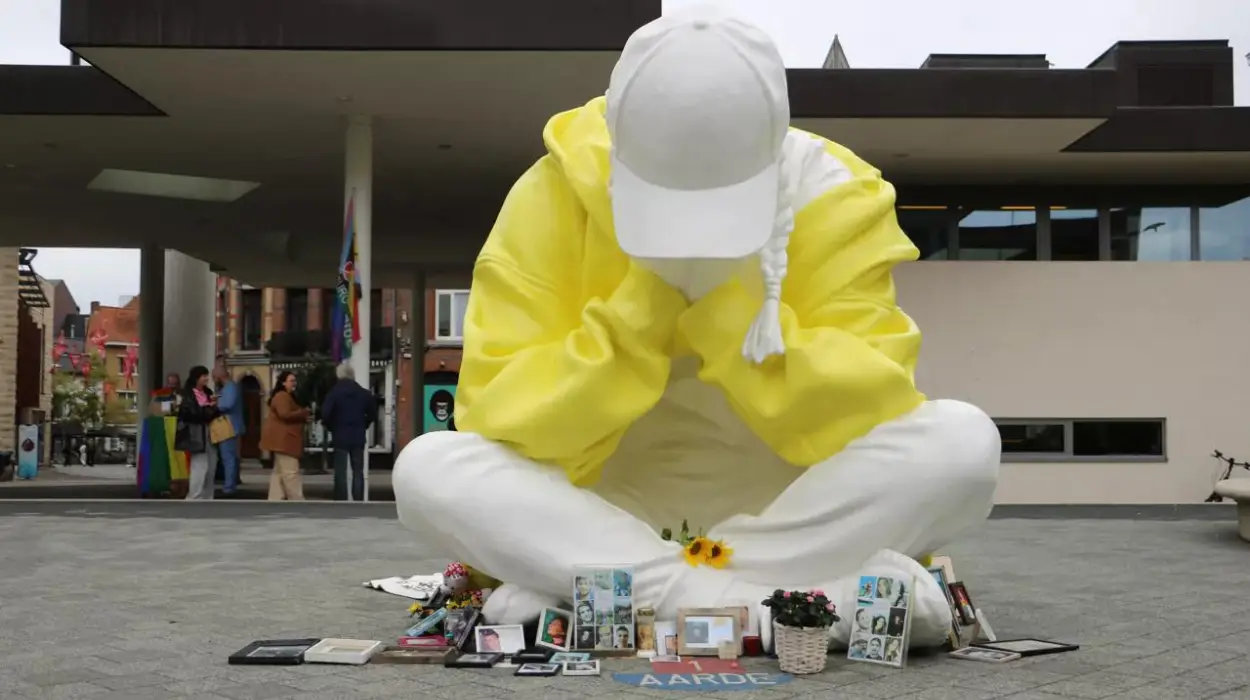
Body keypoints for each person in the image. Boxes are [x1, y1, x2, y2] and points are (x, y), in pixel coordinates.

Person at [392, 5, 999, 650]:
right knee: (430, 470)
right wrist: (642, 305)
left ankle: (615, 599)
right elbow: (499, 411)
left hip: (789, 508)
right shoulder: (554, 192)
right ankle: (786, 608)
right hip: (603, 509)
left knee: (964, 445)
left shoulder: (835, 193)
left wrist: (723, 302)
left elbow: (868, 403)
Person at [319, 362, 378, 501]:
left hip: (340, 435)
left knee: (340, 471)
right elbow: (373, 415)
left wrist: (331, 427)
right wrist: (364, 424)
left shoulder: (334, 393)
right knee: (358, 471)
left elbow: (325, 414)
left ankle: (341, 499)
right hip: (358, 435)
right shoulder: (364, 393)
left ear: (339, 375)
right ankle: (358, 500)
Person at [259, 371, 309, 501]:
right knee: (291, 472)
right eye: (291, 381)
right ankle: (297, 499)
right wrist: (304, 412)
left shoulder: (284, 396)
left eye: (294, 380)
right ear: (283, 382)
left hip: (281, 440)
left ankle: (275, 498)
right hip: (285, 440)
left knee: (279, 473)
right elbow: (285, 414)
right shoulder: (282, 396)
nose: (294, 383)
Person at [175, 365, 220, 500]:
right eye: (203, 376)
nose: (206, 378)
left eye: (207, 375)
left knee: (212, 465)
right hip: (196, 432)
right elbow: (190, 414)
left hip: (210, 431)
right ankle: (195, 495)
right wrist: (208, 408)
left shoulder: (208, 392)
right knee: (199, 465)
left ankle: (207, 495)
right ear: (196, 378)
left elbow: (212, 414)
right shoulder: (188, 394)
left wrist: (213, 407)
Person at [213, 366, 244, 495]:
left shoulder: (230, 387)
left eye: (214, 377)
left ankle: (229, 486)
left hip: (229, 426)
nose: (213, 380)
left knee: (228, 457)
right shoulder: (228, 387)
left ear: (220, 376)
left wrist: (214, 402)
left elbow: (227, 404)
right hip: (230, 425)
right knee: (230, 457)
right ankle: (231, 483)